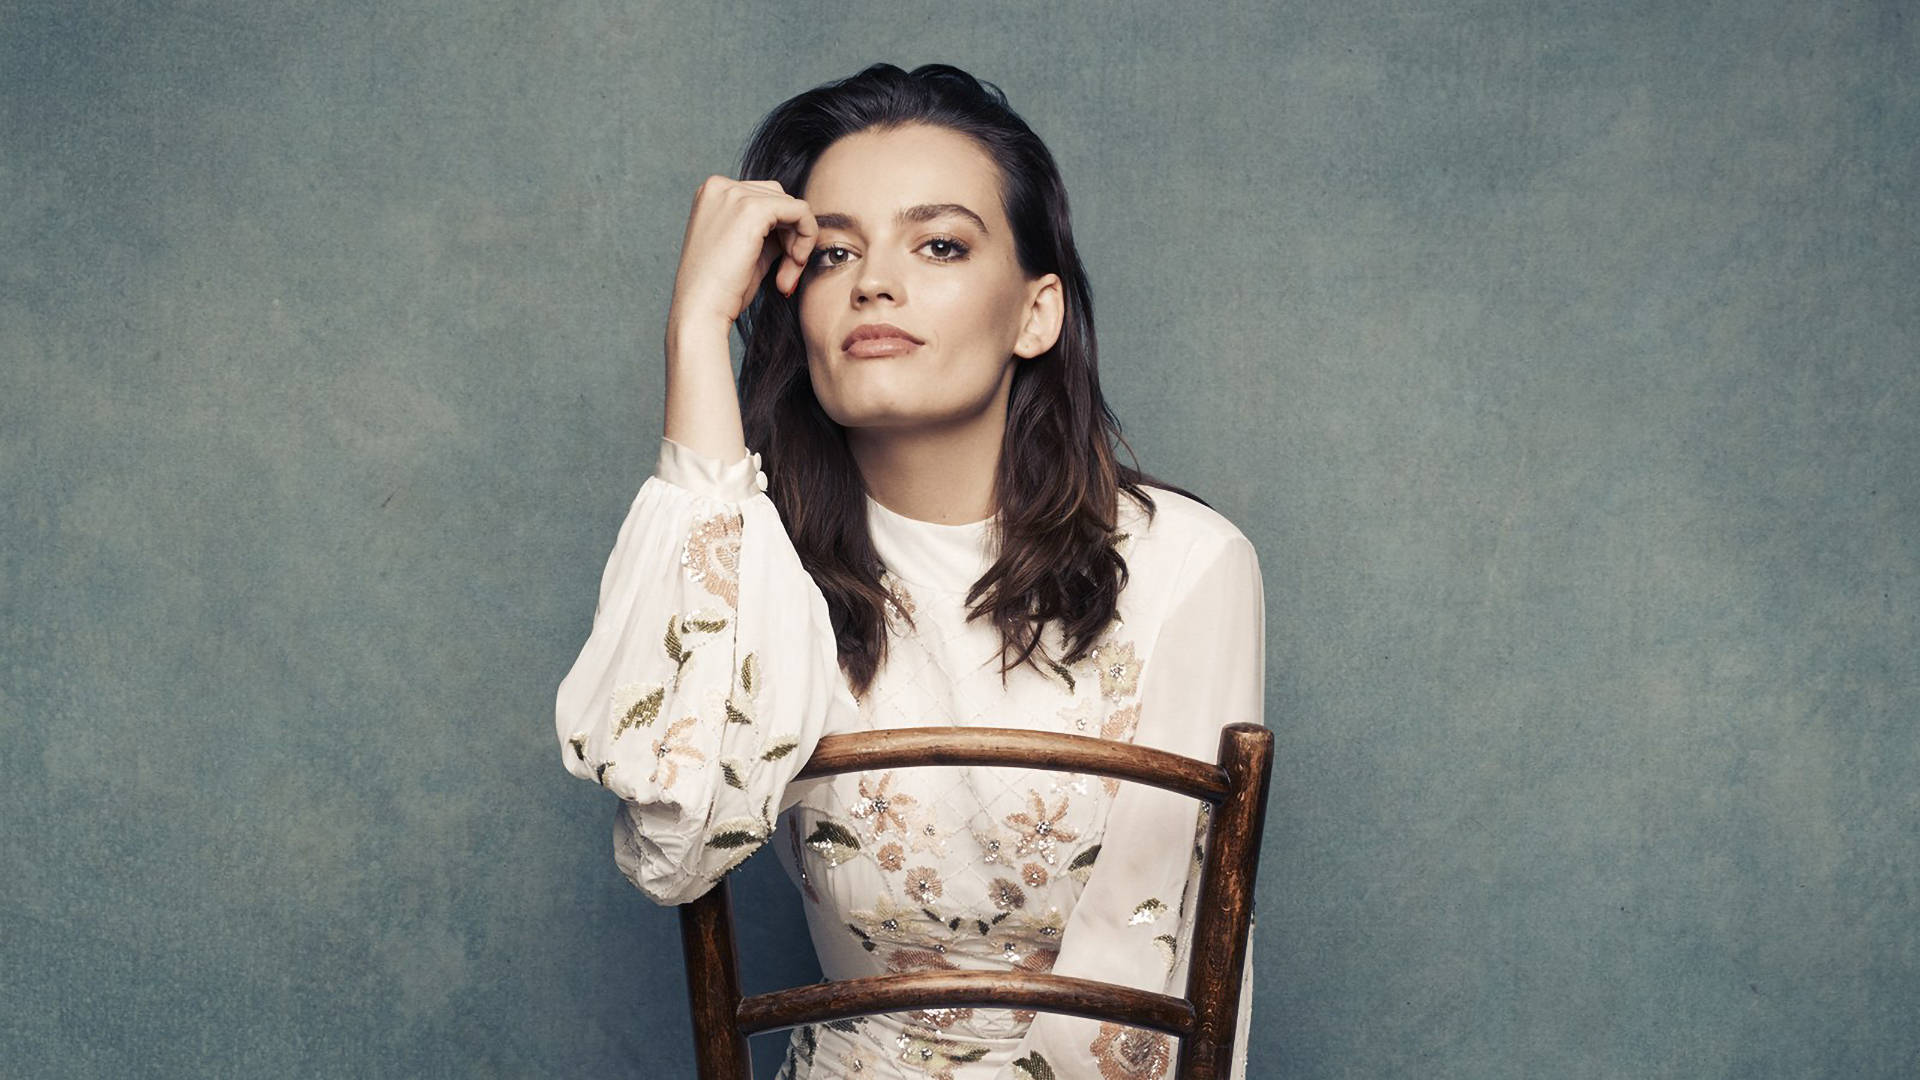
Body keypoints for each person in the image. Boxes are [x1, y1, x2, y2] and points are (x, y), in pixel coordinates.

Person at [555, 62, 1265, 1080]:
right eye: (834, 251)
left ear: (1036, 314)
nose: (873, 282)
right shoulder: (765, 569)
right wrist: (697, 330)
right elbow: (678, 840)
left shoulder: (1185, 564)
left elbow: (1154, 977)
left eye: (939, 244)